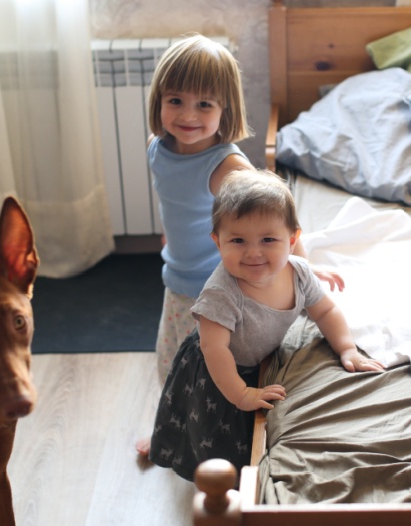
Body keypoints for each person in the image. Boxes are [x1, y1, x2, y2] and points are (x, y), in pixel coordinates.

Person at [146, 169, 385, 481]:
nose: (254, 252)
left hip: (251, 358)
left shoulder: (299, 273)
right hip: (216, 371)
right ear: (218, 242)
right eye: (238, 240)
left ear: (293, 239)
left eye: (268, 239)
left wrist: (347, 348)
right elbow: (213, 348)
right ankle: (226, 493)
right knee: (215, 436)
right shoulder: (221, 293)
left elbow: (325, 312)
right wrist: (242, 394)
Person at [144, 33, 343, 388]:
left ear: (226, 109)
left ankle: (208, 430)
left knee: (209, 371)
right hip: (176, 278)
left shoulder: (226, 167)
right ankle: (169, 426)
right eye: (175, 100)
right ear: (159, 100)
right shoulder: (157, 148)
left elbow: (275, 217)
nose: (188, 115)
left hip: (221, 287)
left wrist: (302, 269)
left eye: (204, 104)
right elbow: (174, 202)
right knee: (172, 359)